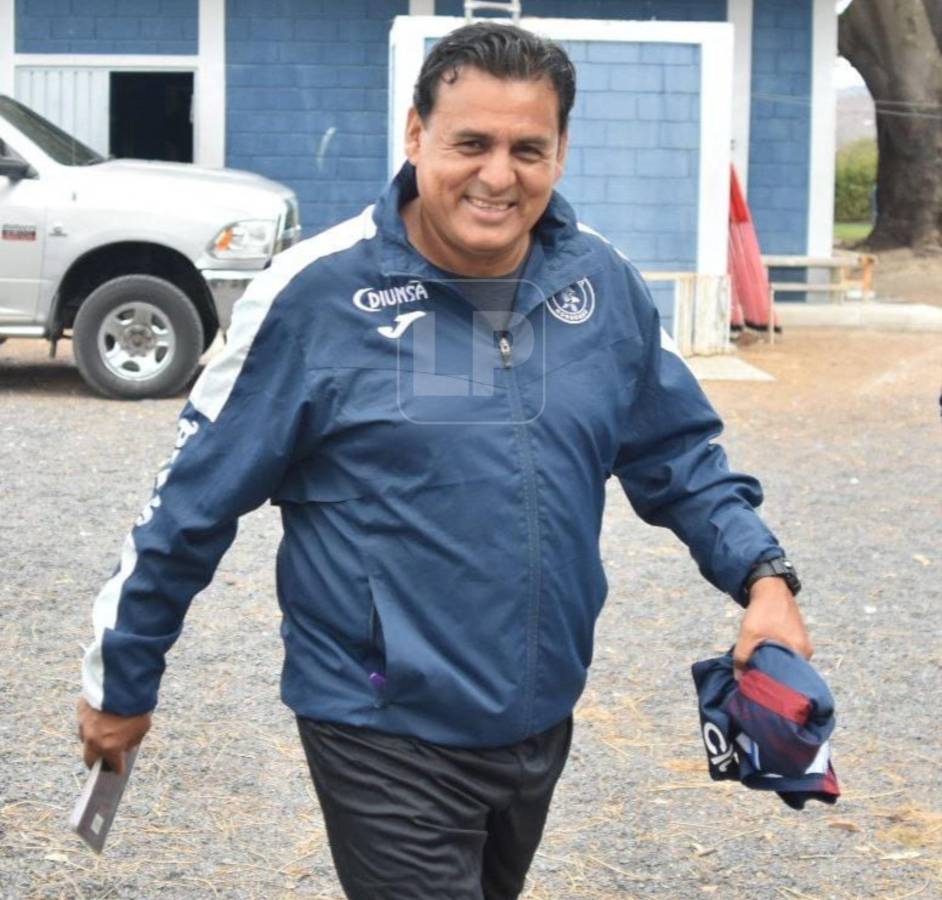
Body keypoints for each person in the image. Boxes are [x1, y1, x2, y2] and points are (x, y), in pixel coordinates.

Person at [77, 22, 812, 900]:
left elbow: (677, 452)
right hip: (381, 723)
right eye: (472, 142)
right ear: (416, 135)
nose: (499, 175)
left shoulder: (596, 285)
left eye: (527, 148)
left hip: (539, 719)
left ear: (561, 153)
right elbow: (188, 508)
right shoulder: (318, 297)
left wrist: (764, 579)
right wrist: (123, 681)